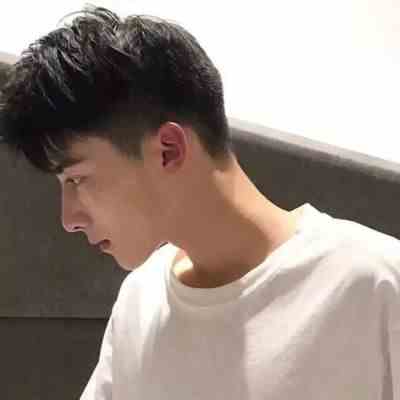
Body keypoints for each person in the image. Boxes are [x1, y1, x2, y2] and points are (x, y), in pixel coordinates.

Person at [0, 5, 399, 400]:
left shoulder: (375, 284)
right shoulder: (141, 300)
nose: (69, 218)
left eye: (77, 179)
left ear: (169, 150)